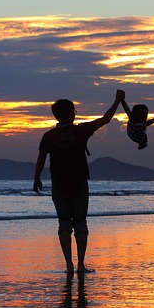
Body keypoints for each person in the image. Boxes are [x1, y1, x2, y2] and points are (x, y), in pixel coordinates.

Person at [33, 89, 125, 277]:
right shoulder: (80, 130)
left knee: (64, 224)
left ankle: (69, 265)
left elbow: (41, 159)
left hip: (59, 185)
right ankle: (81, 265)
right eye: (74, 111)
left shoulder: (49, 136)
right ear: (69, 114)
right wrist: (117, 100)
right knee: (80, 224)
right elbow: (106, 119)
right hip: (79, 184)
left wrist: (36, 178)